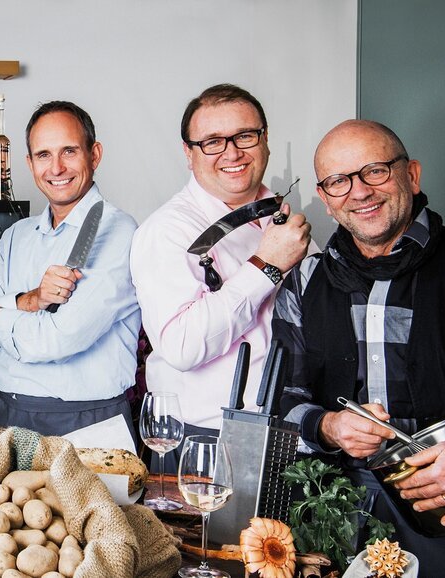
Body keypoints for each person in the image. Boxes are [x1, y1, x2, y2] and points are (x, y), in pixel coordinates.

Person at [274, 119, 445, 573]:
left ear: (411, 175)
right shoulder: (303, 281)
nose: (359, 192)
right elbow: (285, 402)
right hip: (339, 519)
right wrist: (330, 426)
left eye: (374, 170)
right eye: (338, 181)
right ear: (326, 201)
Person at [130, 84, 312, 466]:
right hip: (205, 441)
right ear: (188, 153)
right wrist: (266, 266)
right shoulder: (167, 231)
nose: (232, 152)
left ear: (265, 140)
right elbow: (181, 347)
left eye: (245, 136)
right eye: (212, 142)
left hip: (293, 435)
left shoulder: (283, 220)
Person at [0, 101, 141, 448]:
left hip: (87, 423)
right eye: (43, 155)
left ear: (94, 154)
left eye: (69, 151)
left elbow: (58, 339)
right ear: (30, 163)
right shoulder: (16, 236)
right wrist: (31, 300)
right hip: (5, 416)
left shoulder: (118, 232)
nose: (56, 167)